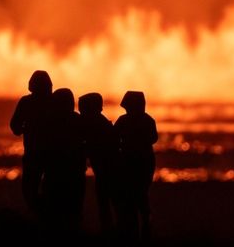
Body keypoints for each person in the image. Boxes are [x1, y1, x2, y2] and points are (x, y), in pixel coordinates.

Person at [114, 90, 157, 245]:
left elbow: (114, 138)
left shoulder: (123, 121)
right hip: (145, 161)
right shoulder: (148, 120)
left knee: (132, 196)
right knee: (140, 194)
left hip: (131, 162)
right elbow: (154, 138)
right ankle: (144, 228)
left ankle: (135, 230)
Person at [10, 70, 53, 212]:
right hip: (53, 153)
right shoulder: (54, 102)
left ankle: (39, 214)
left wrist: (26, 128)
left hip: (33, 152)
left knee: (29, 189)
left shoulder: (26, 102)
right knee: (51, 189)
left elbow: (15, 127)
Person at [41, 88, 84, 229]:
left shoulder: (49, 121)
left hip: (55, 170)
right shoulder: (77, 120)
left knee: (54, 204)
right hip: (73, 170)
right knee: (73, 206)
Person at [78, 92, 119, 235]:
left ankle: (111, 232)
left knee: (107, 201)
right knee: (108, 202)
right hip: (105, 169)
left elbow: (94, 146)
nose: (80, 112)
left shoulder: (97, 125)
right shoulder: (97, 122)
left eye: (82, 109)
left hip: (108, 170)